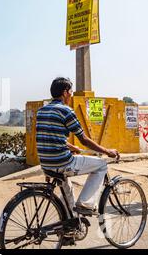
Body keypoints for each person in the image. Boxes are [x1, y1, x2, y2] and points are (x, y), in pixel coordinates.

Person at [36, 77, 120, 215]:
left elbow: (50, 138)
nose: (71, 95)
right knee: (101, 165)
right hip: (62, 162)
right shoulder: (66, 111)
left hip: (46, 163)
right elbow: (84, 139)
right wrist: (107, 151)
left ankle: (69, 226)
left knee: (67, 190)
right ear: (65, 92)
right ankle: (86, 203)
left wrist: (72, 148)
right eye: (70, 92)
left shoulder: (42, 111)